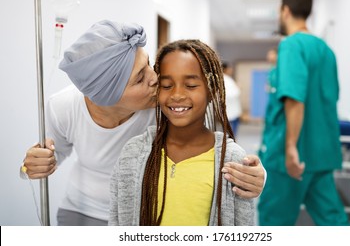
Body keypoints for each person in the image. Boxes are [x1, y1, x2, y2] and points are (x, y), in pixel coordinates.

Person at [21, 20, 265, 226]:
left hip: (143, 215)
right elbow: (52, 156)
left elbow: (214, 150)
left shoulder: (168, 106)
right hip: (83, 213)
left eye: (147, 64)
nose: (155, 79)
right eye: (140, 79)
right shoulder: (63, 107)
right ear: (109, 95)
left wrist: (255, 174)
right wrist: (31, 166)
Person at [109, 39, 255, 226]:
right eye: (167, 85)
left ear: (211, 91)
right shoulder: (133, 153)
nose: (177, 95)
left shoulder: (232, 160)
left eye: (191, 86)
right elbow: (116, 221)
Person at [257, 0, 350, 226]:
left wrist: (290, 147)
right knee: (333, 219)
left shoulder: (290, 45)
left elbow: (294, 98)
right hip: (321, 153)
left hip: (290, 155)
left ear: (285, 11)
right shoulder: (326, 51)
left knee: (274, 220)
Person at [222, 62, 242, 137]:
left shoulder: (228, 79)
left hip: (232, 109)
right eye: (229, 68)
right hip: (230, 109)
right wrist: (238, 89)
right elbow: (230, 94)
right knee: (230, 130)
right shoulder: (225, 80)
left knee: (232, 129)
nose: (231, 70)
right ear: (225, 69)